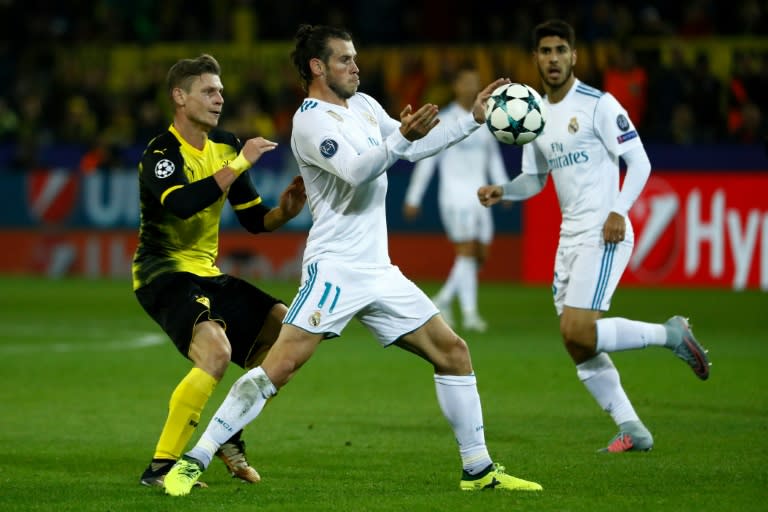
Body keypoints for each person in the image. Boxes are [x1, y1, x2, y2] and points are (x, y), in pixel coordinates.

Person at [163, 25, 542, 496]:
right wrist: (401, 138)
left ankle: (478, 470)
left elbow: (412, 147)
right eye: (345, 59)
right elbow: (358, 170)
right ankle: (193, 461)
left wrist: (471, 120)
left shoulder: (362, 106)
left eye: (355, 58)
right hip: (335, 268)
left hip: (378, 269)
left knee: (453, 353)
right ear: (318, 67)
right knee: (278, 368)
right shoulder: (311, 121)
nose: (356, 66)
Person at [477, 19, 711, 453]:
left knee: (578, 328)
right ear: (535, 58)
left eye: (560, 50)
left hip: (604, 232)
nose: (553, 59)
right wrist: (503, 191)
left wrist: (619, 210)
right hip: (569, 240)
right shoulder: (535, 114)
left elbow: (639, 162)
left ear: (574, 56)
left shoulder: (599, 105)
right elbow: (535, 179)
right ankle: (632, 428)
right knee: (575, 341)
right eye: (545, 51)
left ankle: (671, 334)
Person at [133, 54, 306, 487]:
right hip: (162, 273)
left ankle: (228, 434)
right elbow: (182, 203)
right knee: (215, 352)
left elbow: (252, 219)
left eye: (221, 92)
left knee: (285, 331)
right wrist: (243, 163)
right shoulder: (161, 154)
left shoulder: (225, 145)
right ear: (180, 96)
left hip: (206, 272)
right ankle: (161, 468)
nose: (219, 99)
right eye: (209, 91)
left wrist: (283, 214)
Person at [403, 66, 509, 332]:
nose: (471, 86)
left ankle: (443, 300)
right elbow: (427, 162)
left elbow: (492, 156)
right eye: (466, 82)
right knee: (467, 253)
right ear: (456, 87)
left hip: (481, 195)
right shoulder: (446, 120)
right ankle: (470, 314)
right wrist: (414, 196)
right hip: (455, 196)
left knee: (479, 256)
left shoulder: (485, 118)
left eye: (475, 81)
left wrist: (505, 187)